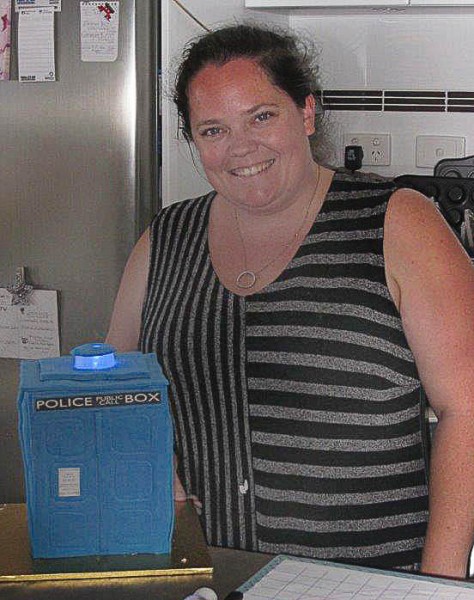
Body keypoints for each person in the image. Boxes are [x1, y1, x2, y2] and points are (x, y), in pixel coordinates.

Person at [106, 23, 474, 578]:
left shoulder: (397, 221)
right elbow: (111, 386)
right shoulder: (166, 238)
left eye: (262, 116)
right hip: (198, 572)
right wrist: (145, 463)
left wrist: (438, 587)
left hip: (365, 581)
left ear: (306, 113)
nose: (241, 147)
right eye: (213, 130)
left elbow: (466, 410)